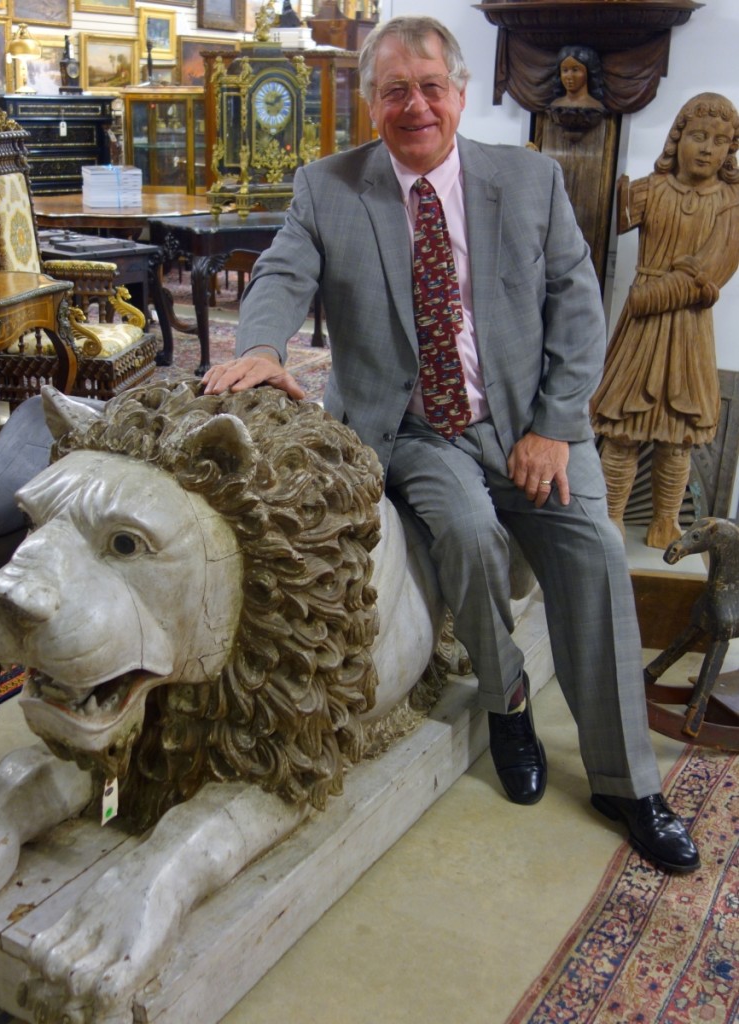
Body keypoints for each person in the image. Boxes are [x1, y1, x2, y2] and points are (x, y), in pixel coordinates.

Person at [203, 15, 699, 873]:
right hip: (416, 428)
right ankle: (504, 698)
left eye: (431, 87)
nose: (415, 106)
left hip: (529, 423)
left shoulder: (531, 179)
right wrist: (259, 347)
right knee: (465, 530)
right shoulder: (329, 187)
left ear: (461, 95)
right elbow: (283, 273)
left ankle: (627, 783)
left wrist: (551, 427)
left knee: (595, 555)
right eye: (394, 90)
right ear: (370, 104)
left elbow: (578, 311)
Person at [592, 93, 739, 549]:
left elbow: (709, 278)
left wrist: (649, 295)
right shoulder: (648, 190)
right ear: (677, 138)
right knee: (622, 432)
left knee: (677, 438)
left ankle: (665, 522)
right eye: (698, 136)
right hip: (640, 335)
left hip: (687, 331)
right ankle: (611, 516)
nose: (708, 148)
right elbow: (596, 227)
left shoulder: (732, 205)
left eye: (721, 141)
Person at [550, 45, 605, 112]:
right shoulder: (555, 105)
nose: (569, 76)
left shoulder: (595, 106)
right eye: (565, 70)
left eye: (575, 70)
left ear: (588, 72)